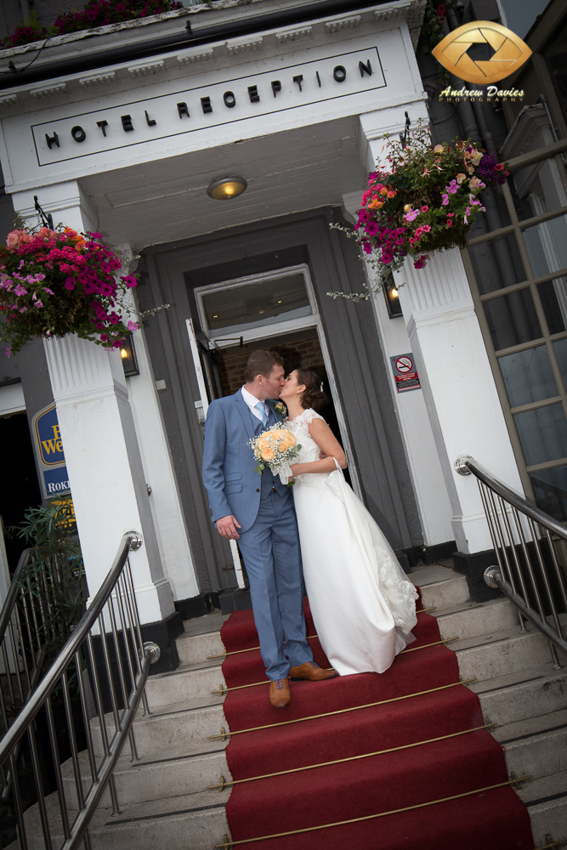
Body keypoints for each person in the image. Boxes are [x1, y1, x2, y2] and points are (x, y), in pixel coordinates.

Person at [201, 350, 336, 709]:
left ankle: (301, 660)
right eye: (278, 377)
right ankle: (277, 673)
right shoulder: (222, 409)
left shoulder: (278, 411)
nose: (282, 382)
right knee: (263, 589)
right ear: (260, 379)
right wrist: (221, 513)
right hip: (248, 515)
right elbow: (211, 466)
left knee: (292, 582)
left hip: (284, 506)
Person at [280, 368, 418, 676]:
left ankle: (369, 638)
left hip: (324, 501)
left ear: (301, 387)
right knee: (322, 575)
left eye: (288, 378)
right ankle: (344, 643)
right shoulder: (281, 426)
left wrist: (299, 469)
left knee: (341, 565)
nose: (283, 382)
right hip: (303, 504)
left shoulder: (312, 420)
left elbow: (339, 460)